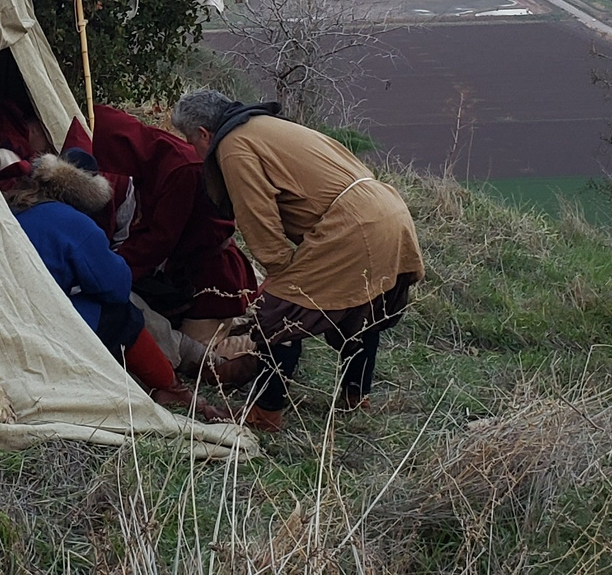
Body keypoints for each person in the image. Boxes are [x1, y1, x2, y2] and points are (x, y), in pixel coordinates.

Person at [172, 89, 425, 433]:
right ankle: (356, 396)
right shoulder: (265, 124)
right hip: (388, 210)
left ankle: (265, 415)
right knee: (362, 308)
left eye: (190, 141)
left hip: (351, 226)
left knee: (279, 317)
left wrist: (280, 273)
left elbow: (257, 217)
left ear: (203, 133)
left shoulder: (233, 146)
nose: (193, 150)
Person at [0, 148, 215, 415]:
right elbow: (114, 287)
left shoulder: (11, 207)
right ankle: (171, 388)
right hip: (36, 321)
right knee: (119, 315)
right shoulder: (73, 223)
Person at [85, 105, 259, 367]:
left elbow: (159, 241)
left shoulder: (179, 168)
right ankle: (238, 321)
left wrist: (111, 270)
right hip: (185, 273)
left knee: (201, 356)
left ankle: (262, 340)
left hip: (212, 279)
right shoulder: (151, 158)